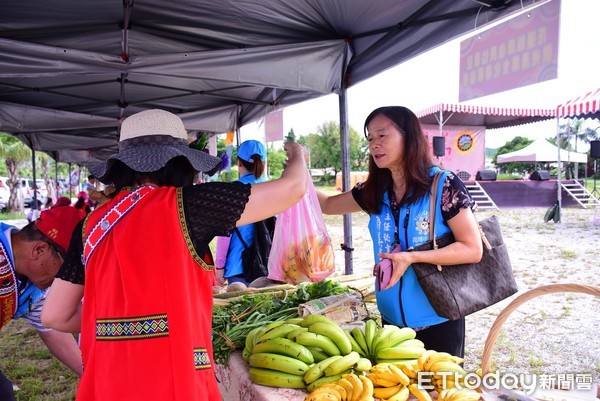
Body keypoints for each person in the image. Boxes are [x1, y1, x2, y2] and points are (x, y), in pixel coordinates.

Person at [41, 109, 307, 401]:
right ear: (182, 164)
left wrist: (116, 320)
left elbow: (55, 315)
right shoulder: (187, 206)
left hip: (108, 381)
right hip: (174, 379)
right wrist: (297, 155)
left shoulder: (91, 225)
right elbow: (293, 189)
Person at [316, 106, 482, 357]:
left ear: (409, 137)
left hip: (439, 318)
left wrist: (413, 257)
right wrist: (297, 174)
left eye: (382, 135)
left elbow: (472, 249)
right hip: (391, 322)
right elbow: (328, 204)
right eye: (370, 138)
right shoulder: (373, 191)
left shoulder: (442, 184)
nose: (374, 145)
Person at [0, 207, 84, 400]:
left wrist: (92, 376)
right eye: (68, 269)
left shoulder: (32, 284)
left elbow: (52, 331)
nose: (67, 280)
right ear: (40, 250)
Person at [214, 140, 268, 287]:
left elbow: (224, 232)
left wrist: (219, 266)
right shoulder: (272, 188)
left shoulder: (233, 191)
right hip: (268, 263)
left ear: (239, 163)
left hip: (238, 266)